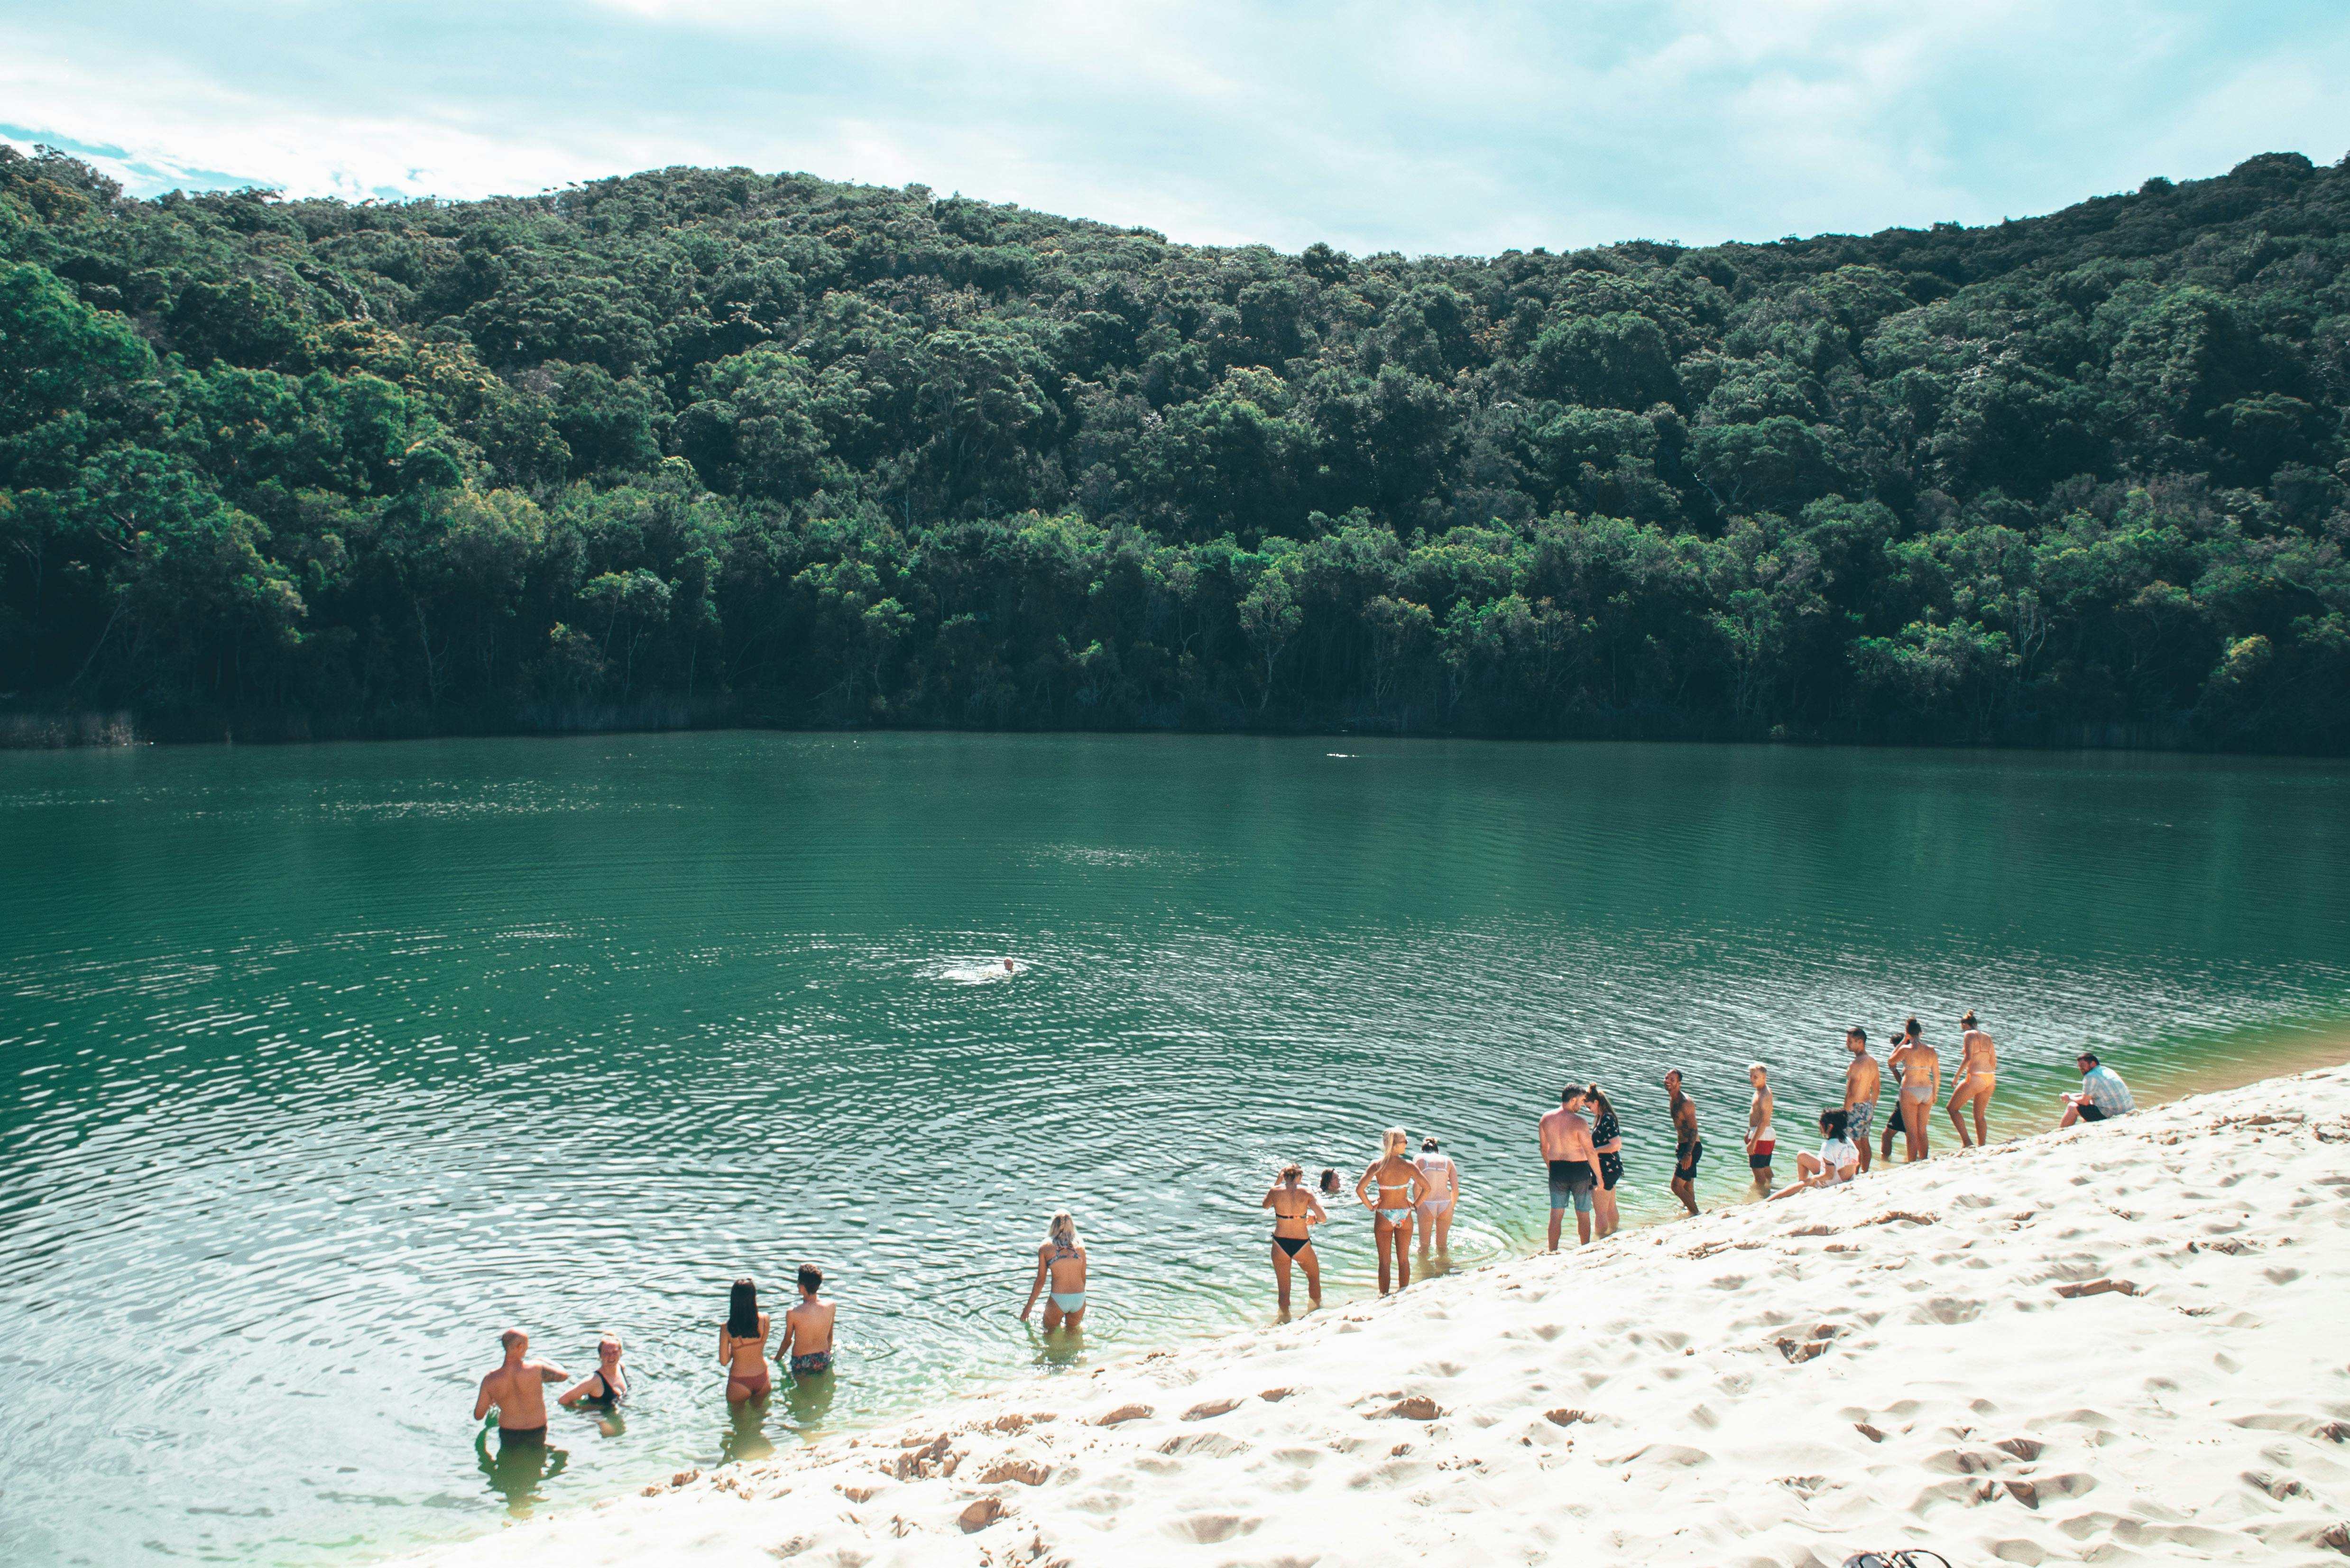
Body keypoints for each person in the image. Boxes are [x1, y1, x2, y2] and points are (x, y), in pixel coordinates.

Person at [1355, 1128, 1432, 1293]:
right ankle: (1403, 1293)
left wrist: (1370, 1206)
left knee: (1384, 1261)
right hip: (1405, 1214)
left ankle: (1384, 1295)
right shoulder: (1408, 1166)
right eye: (1405, 1142)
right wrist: (1416, 1205)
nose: (1406, 1144)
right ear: (1396, 1146)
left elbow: (1360, 1189)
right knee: (1404, 1260)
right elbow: (1427, 1188)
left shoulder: (1377, 1165)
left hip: (1384, 1214)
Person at [473, 1327, 567, 1442]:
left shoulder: (490, 1379)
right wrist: (543, 1360)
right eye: (527, 1345)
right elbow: (564, 1376)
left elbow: (478, 1416)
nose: (527, 1348)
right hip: (537, 1430)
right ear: (520, 1346)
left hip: (508, 1433)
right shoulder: (536, 1368)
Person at [1539, 1088, 1604, 1249]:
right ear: (1573, 1100)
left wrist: (1550, 1167)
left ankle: (1552, 1251)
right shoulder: (1579, 1121)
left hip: (1557, 1169)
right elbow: (1590, 1151)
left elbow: (1543, 1148)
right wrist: (1599, 1177)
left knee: (1556, 1214)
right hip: (1579, 1171)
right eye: (1581, 1102)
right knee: (1583, 1212)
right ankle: (1585, 1248)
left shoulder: (1546, 1118)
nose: (1582, 1106)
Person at [1261, 1162, 1327, 1313]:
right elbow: (1323, 1218)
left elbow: (1265, 1206)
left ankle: (1284, 1318)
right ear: (1299, 1176)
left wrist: (1277, 1183)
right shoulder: (1307, 1192)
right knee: (1314, 1278)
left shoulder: (1275, 1191)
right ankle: (1315, 1312)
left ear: (1284, 1176)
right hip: (1301, 1244)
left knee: (1284, 1289)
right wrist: (1314, 1220)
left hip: (1280, 1244)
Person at [1019, 1211, 1088, 1331]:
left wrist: (1028, 1307)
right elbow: (1083, 1279)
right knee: (1074, 1336)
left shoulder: (1046, 1247)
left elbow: (1041, 1281)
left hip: (1059, 1299)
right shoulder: (1080, 1247)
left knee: (1049, 1335)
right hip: (1079, 1298)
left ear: (1053, 1225)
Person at [1770, 1108, 1859, 1199]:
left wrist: (1813, 1179)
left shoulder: (1829, 1145)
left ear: (1830, 1127)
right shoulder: (1848, 1141)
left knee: (1797, 1186)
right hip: (1847, 1179)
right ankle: (1802, 1185)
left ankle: (1799, 1187)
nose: (1820, 1127)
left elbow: (1829, 1175)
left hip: (1831, 1182)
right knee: (1802, 1155)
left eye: (1821, 1124)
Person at [1947, 1009, 1999, 1148]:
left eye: (1962, 1028)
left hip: (1976, 1077)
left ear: (1965, 1025)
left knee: (1952, 1108)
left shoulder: (1969, 1035)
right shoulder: (1988, 1037)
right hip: (1990, 1079)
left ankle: (1967, 1142)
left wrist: (1956, 1077)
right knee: (1979, 1115)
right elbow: (1994, 1060)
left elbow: (1969, 1057)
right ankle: (1982, 1145)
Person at [719, 1277, 772, 1403]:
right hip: (762, 1377)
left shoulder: (727, 1328)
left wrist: (735, 1349)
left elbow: (724, 1361)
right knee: (762, 1421)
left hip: (739, 1381)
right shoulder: (765, 1319)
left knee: (739, 1423)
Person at [1893, 1016, 1939, 1162]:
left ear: (1908, 1033)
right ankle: (1924, 1159)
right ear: (1921, 1033)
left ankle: (1912, 1162)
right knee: (1922, 1131)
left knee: (1912, 1132)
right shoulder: (1931, 1050)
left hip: (1910, 1090)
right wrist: (1935, 1093)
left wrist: (1903, 1042)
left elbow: (1891, 1061)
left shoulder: (1906, 1050)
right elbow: (1937, 1075)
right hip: (1927, 1090)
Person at [780, 1263, 837, 1378]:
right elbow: (830, 1336)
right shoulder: (831, 1306)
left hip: (801, 1361)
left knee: (800, 1394)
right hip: (823, 1358)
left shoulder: (793, 1313)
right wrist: (827, 1354)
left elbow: (787, 1341)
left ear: (801, 1286)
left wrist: (777, 1359)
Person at [1586, 1083, 1624, 1237]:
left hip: (1605, 1169)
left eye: (1589, 1107)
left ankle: (1601, 1237)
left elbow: (1616, 1145)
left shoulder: (1607, 1118)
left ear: (1596, 1103)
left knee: (1600, 1211)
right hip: (1612, 1167)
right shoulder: (1605, 1117)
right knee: (1610, 1206)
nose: (1589, 1110)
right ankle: (1614, 1232)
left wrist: (1595, 1151)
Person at [1842, 1027, 1881, 1173]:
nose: (1847, 1045)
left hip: (1855, 1108)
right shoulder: (1873, 1061)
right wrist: (1872, 1106)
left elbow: (1851, 1093)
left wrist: (1845, 1112)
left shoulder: (1857, 1064)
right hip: (1867, 1106)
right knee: (1865, 1141)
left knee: (1854, 1144)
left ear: (1860, 1042)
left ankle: (1854, 1173)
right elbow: (1877, 1088)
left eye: (1850, 1042)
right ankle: (1865, 1171)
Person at [2060, 1052, 2135, 1127]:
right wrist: (2072, 1096)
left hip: (2113, 1115)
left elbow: (2085, 1102)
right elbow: (2090, 1094)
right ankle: (2087, 1126)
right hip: (2128, 1112)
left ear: (2093, 1064)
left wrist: (2069, 1098)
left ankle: (2060, 1132)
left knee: (2072, 1107)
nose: (2081, 1068)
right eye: (2079, 1066)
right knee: (2090, 1105)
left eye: (2083, 1065)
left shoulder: (2091, 1076)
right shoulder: (2106, 1070)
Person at [1413, 1136, 1460, 1254]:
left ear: (1423, 1150)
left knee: (1424, 1246)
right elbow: (1455, 1189)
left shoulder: (1419, 1158)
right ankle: (1444, 1269)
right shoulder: (1448, 1160)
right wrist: (1452, 1207)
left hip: (1427, 1203)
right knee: (1442, 1246)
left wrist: (1417, 1205)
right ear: (1437, 1150)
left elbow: (1416, 1186)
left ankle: (1424, 1271)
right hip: (1445, 1204)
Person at [1665, 1069, 1702, 1216]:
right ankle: (1692, 1214)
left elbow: (1694, 1129)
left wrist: (1688, 1153)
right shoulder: (1673, 1099)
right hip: (1684, 1146)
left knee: (1676, 1186)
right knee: (1687, 1186)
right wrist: (1681, 1146)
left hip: (1691, 1148)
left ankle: (1697, 1213)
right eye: (1667, 1077)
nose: (1668, 1080)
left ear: (1679, 1084)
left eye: (1672, 1079)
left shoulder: (1685, 1102)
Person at [557, 1334, 626, 1411]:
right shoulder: (594, 1380)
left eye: (615, 1352)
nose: (611, 1356)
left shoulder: (621, 1367)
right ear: (600, 1355)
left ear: (621, 1352)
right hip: (601, 1416)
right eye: (606, 1353)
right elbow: (563, 1400)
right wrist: (585, 1409)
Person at [1879, 1022, 1912, 1163]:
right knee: (1910, 1133)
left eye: (1895, 1047)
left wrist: (1893, 1070)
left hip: (1905, 1101)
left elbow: (1903, 1083)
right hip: (1917, 1098)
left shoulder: (1907, 1061)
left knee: (1887, 1136)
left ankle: (1885, 1162)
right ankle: (1912, 1160)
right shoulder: (1915, 1057)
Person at [1743, 1063, 1776, 1197]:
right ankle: (1773, 1188)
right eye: (1751, 1076)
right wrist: (1748, 1132)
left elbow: (1764, 1121)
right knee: (1765, 1166)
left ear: (1764, 1077)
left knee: (1757, 1169)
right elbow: (1755, 1115)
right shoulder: (1759, 1091)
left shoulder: (1765, 1095)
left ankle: (1761, 1197)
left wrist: (1753, 1142)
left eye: (1756, 1077)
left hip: (1762, 1134)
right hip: (1761, 1133)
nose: (1752, 1079)